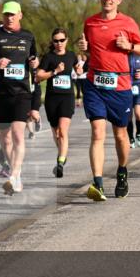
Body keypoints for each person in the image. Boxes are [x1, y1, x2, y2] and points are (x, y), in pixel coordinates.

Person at [78, 0, 140, 201]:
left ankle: (122, 171)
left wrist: (128, 47)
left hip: (120, 87)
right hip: (94, 84)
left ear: (119, 0)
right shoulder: (90, 22)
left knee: (120, 135)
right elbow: (90, 47)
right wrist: (84, 48)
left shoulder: (127, 22)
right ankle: (97, 183)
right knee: (98, 132)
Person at [0, 1, 38, 195]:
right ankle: (14, 173)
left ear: (20, 15)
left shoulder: (28, 36)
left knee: (18, 134)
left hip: (21, 93)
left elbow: (33, 60)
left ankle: (15, 174)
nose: (9, 18)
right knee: (5, 138)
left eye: (12, 14)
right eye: (6, 15)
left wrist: (35, 62)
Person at [36, 28, 79, 177]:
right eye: (56, 41)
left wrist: (79, 70)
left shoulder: (71, 56)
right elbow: (38, 76)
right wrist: (54, 71)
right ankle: (62, 153)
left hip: (67, 97)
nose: (59, 43)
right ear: (52, 42)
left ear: (66, 40)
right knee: (56, 133)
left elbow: (77, 68)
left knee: (63, 130)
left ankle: (60, 161)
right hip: (52, 99)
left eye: (62, 40)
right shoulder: (48, 57)